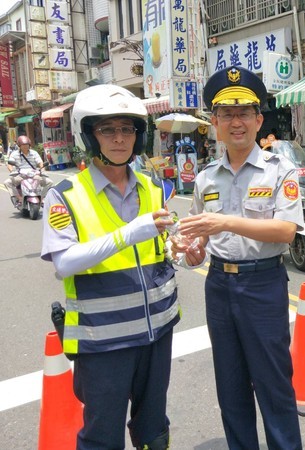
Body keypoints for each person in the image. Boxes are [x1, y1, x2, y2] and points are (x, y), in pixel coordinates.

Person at [40, 84, 185, 450]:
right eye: (107, 129)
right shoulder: (65, 196)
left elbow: (160, 251)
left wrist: (183, 249)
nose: (119, 138)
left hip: (158, 332)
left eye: (128, 129)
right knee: (103, 436)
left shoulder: (154, 188)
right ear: (89, 135)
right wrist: (129, 233)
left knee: (154, 428)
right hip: (103, 341)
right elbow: (65, 262)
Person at [172, 66, 304, 450]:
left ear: (259, 119)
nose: (236, 122)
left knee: (273, 384)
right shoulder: (205, 179)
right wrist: (192, 252)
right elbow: (199, 245)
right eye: (226, 114)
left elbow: (285, 231)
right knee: (229, 385)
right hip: (219, 285)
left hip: (263, 285)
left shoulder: (280, 170)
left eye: (244, 112)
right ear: (214, 122)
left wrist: (224, 221)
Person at [4, 135, 53, 207]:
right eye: (23, 145)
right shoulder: (14, 154)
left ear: (29, 145)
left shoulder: (34, 153)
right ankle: (18, 198)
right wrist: (12, 171)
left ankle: (42, 198)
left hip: (34, 175)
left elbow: (40, 162)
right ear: (19, 145)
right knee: (7, 182)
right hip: (20, 175)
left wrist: (42, 170)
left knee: (49, 182)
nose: (25, 146)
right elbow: (10, 164)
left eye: (27, 145)